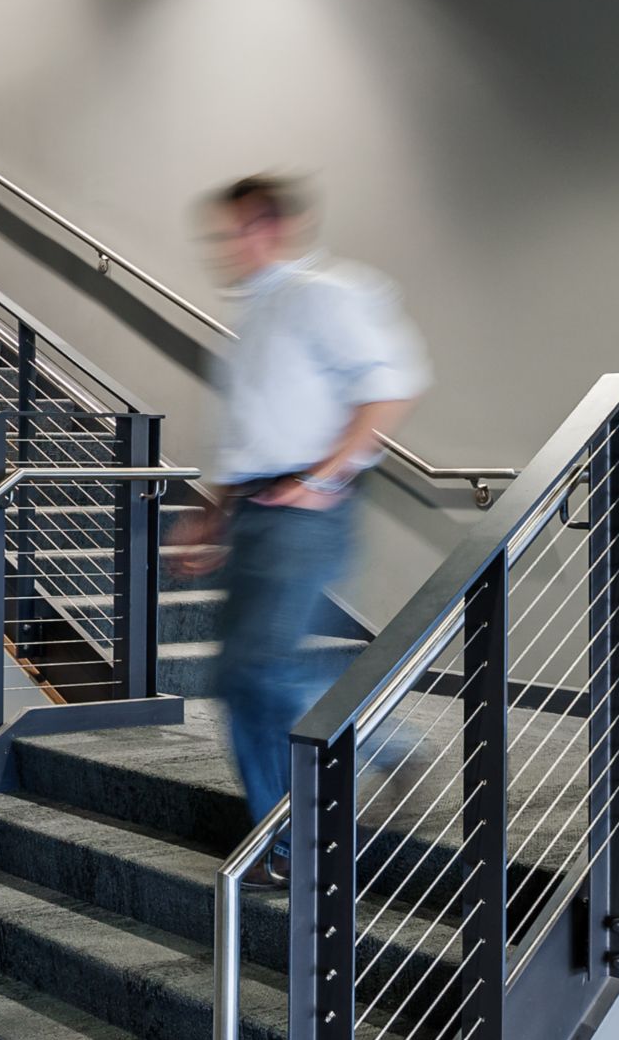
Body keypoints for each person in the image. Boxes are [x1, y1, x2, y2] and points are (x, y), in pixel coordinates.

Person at [177, 176, 430, 890]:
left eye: (230, 232)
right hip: (257, 505)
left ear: (267, 229)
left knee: (258, 668)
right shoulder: (252, 318)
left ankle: (383, 741)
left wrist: (322, 478)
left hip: (307, 506)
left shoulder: (327, 292)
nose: (220, 248)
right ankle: (280, 841)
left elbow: (391, 386)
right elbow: (254, 429)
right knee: (237, 681)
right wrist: (214, 512)